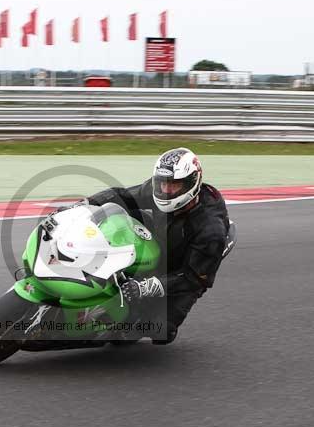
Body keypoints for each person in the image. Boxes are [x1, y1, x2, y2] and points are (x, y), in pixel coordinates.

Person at [84, 147, 231, 344]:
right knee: (118, 217)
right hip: (160, 236)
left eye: (173, 185)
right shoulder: (159, 190)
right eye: (162, 184)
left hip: (186, 267)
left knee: (159, 330)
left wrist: (148, 286)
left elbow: (193, 278)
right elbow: (123, 196)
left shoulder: (210, 229)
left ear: (191, 184)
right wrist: (86, 203)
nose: (165, 190)